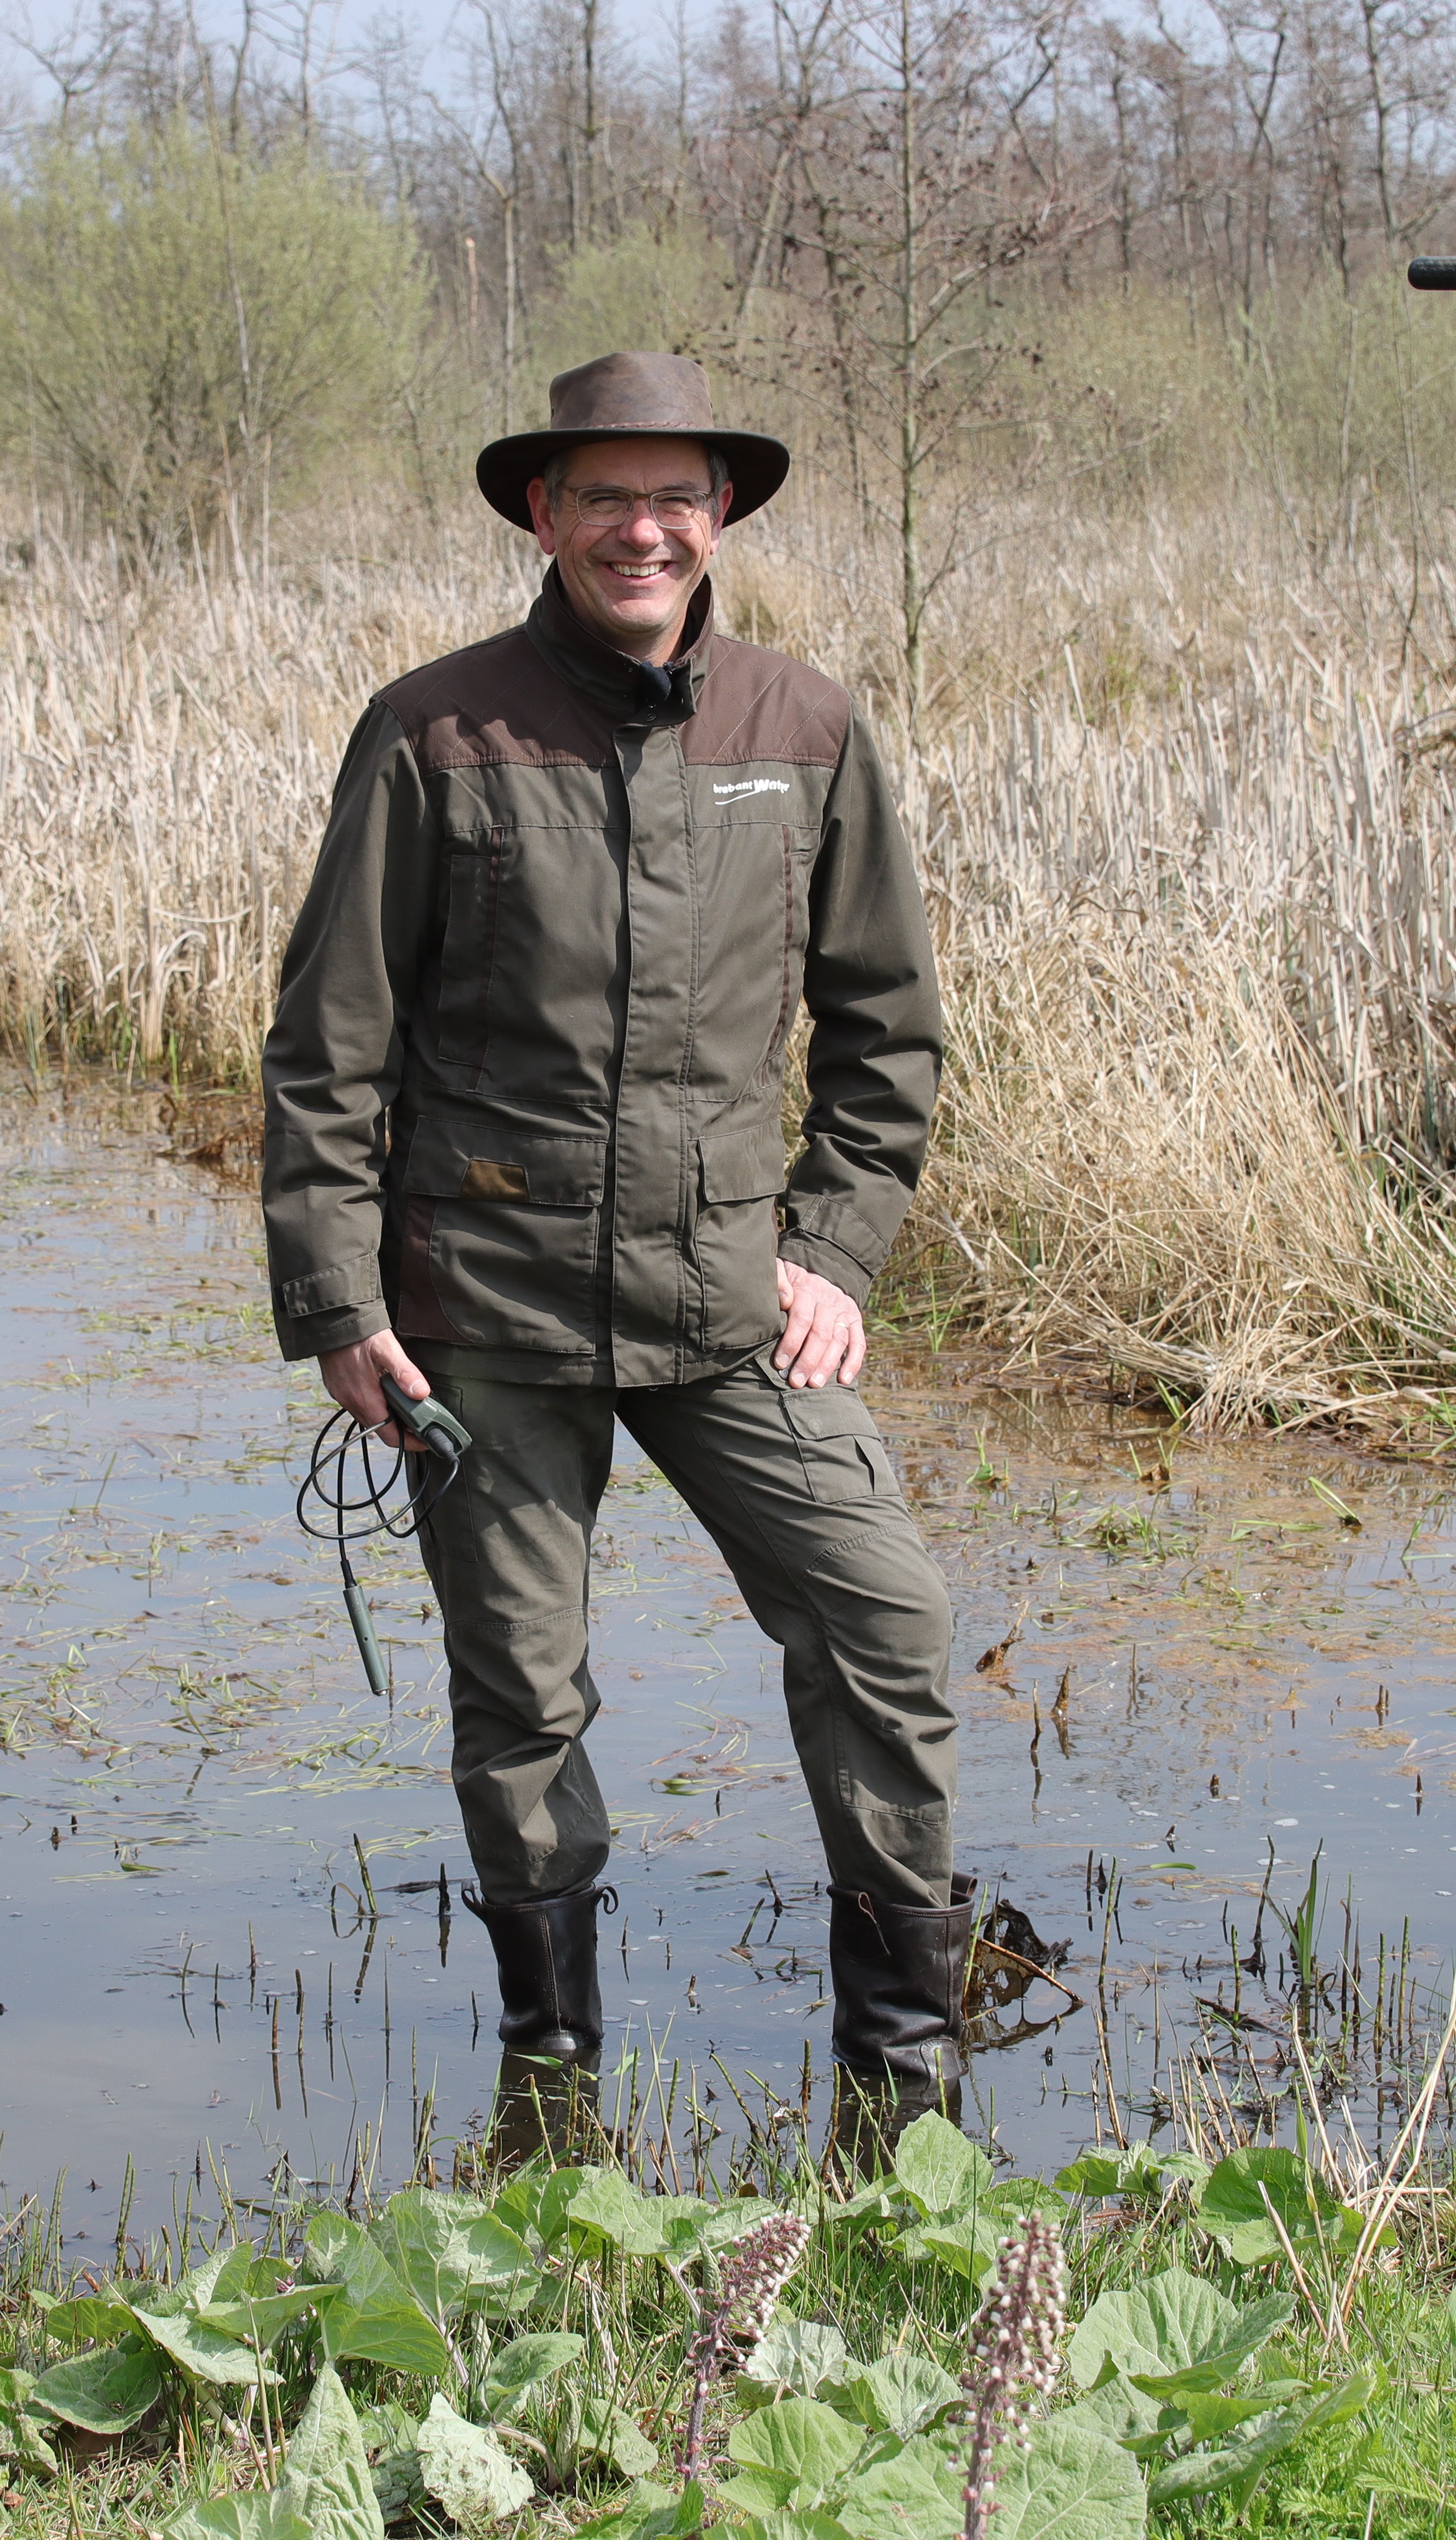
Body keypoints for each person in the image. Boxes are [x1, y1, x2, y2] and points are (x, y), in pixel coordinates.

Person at [261, 351, 966, 2154]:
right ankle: (554, 2079)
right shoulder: (438, 732)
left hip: (734, 1301)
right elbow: (332, 1043)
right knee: (520, 1693)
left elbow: (887, 1031)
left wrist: (836, 1247)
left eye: (675, 498)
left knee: (885, 1620)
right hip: (477, 1315)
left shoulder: (802, 729)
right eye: (603, 497)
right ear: (541, 513)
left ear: (719, 519)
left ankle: (905, 2067)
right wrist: (341, 1303)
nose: (640, 527)